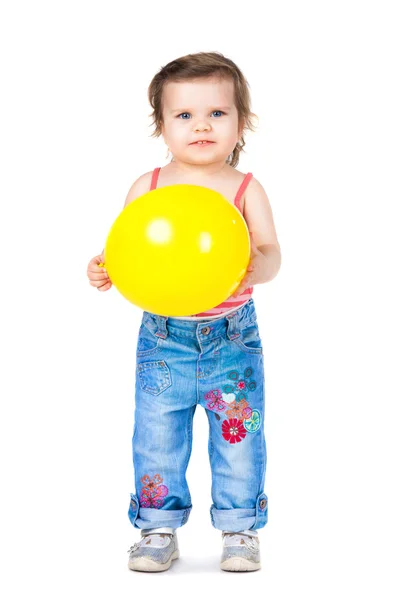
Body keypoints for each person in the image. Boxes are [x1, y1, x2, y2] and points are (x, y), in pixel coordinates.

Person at [86, 51, 281, 572]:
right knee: (156, 434)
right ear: (162, 125)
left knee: (239, 434)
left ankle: (240, 528)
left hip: (231, 336)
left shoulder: (245, 189)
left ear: (242, 123)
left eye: (217, 113)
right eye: (184, 115)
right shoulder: (147, 189)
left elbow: (271, 254)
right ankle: (157, 528)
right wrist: (105, 269)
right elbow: (128, 249)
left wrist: (253, 268)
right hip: (163, 336)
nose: (201, 126)